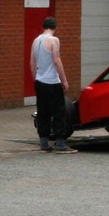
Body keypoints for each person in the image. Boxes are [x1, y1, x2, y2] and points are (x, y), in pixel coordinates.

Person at [31, 15, 74, 152]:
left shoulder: (36, 41)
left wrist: (36, 78)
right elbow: (56, 60)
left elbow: (32, 62)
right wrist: (64, 80)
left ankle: (44, 143)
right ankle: (60, 143)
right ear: (55, 27)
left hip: (40, 81)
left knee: (43, 112)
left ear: (43, 27)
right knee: (59, 112)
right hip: (52, 82)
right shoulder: (54, 40)